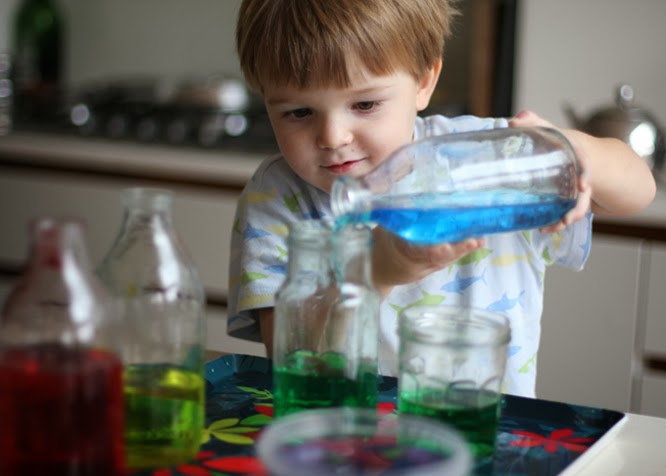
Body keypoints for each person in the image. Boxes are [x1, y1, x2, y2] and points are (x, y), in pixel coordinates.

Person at [227, 0, 656, 397]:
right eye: (298, 113)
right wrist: (377, 270)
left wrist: (579, 151)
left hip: (485, 427)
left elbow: (639, 190)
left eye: (365, 104)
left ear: (424, 81)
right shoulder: (276, 199)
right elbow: (288, 357)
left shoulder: (489, 155)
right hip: (346, 438)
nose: (332, 137)